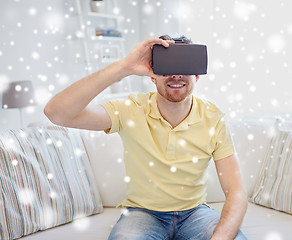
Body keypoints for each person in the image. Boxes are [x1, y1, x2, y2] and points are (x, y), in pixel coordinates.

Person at [44, 35, 248, 240]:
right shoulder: (129, 109)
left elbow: (237, 192)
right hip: (142, 213)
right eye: (167, 67)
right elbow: (57, 113)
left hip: (195, 213)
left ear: (197, 75)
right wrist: (124, 66)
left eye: (184, 65)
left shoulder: (213, 118)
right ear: (152, 76)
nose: (176, 75)